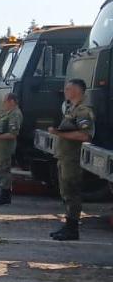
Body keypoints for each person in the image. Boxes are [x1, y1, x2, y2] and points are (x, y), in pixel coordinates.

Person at [48, 78, 95, 240]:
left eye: (68, 89)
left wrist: (59, 133)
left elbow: (85, 135)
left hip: (72, 159)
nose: (65, 91)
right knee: (65, 192)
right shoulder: (71, 109)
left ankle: (73, 229)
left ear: (76, 91)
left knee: (72, 193)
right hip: (64, 157)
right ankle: (68, 225)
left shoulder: (83, 111)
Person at [0, 93, 23, 205]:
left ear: (12, 101)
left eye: (5, 101)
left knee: (4, 171)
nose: (3, 103)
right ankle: (3, 194)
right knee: (1, 171)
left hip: (5, 148)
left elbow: (13, 134)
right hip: (0, 147)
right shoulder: (9, 113)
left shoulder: (15, 114)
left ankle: (5, 197)